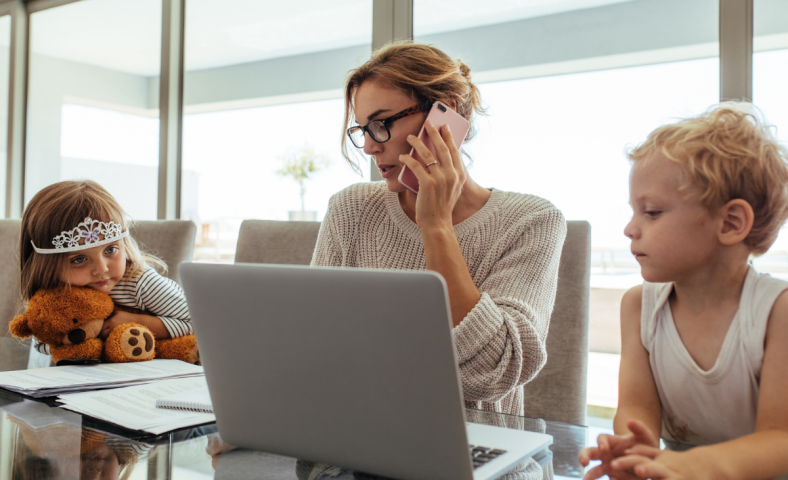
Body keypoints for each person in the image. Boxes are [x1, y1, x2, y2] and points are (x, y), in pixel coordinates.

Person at [313, 41, 567, 417]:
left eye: (381, 124)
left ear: (444, 113)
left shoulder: (531, 221)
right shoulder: (351, 209)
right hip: (360, 432)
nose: (369, 146)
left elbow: (490, 373)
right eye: (362, 129)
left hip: (474, 450)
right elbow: (316, 345)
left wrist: (436, 227)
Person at [579, 103, 788, 480]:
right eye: (633, 211)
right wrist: (634, 451)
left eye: (652, 212)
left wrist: (691, 465)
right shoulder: (639, 305)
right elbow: (637, 406)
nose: (630, 229)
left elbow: (780, 439)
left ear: (731, 222)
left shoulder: (777, 312)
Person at [19, 180, 193, 359]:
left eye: (110, 250)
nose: (101, 269)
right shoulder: (53, 296)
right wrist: (80, 342)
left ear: (124, 244)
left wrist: (138, 322)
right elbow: (41, 342)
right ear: (46, 265)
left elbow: (198, 322)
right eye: (79, 259)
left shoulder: (140, 282)